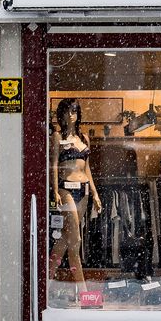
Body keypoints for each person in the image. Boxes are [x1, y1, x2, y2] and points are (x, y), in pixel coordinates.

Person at [49, 99, 101, 293]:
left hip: (84, 189)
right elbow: (54, 165)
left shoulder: (84, 138)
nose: (71, 114)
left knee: (66, 238)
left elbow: (88, 169)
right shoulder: (57, 137)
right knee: (76, 240)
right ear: (61, 114)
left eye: (74, 111)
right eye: (67, 111)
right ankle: (83, 290)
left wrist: (95, 193)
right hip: (65, 189)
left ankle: (48, 279)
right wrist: (54, 190)